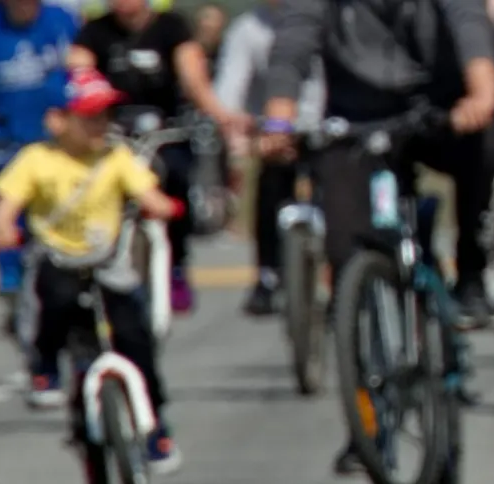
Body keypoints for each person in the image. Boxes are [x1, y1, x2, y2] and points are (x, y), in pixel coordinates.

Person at [261, 0, 494, 473]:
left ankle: (472, 274)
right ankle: (367, 425)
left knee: (488, 144)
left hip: (437, 108)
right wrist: (277, 120)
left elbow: (469, 24)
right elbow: (293, 44)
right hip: (355, 120)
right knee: (346, 255)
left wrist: (482, 91)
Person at [0, 67, 183, 469]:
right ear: (57, 120)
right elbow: (4, 207)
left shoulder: (116, 158)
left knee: (135, 337)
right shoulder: (36, 160)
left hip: (108, 261)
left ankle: (155, 427)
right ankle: (46, 368)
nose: (100, 125)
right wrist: (4, 228)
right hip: (57, 257)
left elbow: (147, 192)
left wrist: (161, 206)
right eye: (88, 115)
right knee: (53, 301)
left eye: (105, 115)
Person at [70, 0, 247, 315]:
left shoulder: (172, 27)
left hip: (164, 128)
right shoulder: (94, 32)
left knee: (177, 178)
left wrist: (220, 114)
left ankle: (176, 266)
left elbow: (193, 78)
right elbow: (78, 73)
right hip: (113, 131)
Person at [0, 0, 76, 350]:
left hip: (55, 133)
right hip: (4, 135)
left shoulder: (61, 22)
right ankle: (8, 261)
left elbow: (79, 72)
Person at [212, 0, 322, 316]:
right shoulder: (247, 30)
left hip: (323, 123)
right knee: (271, 189)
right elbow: (230, 88)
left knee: (336, 188)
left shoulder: (323, 17)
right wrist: (236, 128)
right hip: (271, 131)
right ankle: (268, 274)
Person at [192, 3, 225, 70]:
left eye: (216, 19)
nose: (210, 24)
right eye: (206, 17)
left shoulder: (227, 50)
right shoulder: (186, 50)